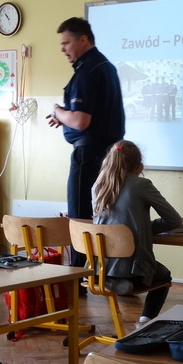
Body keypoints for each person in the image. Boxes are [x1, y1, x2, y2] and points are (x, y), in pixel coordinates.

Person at [46, 16, 126, 239]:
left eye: (66, 42)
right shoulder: (106, 67)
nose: (63, 49)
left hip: (89, 154)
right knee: (103, 216)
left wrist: (57, 112)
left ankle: (81, 262)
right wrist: (65, 117)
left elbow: (81, 121)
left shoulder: (86, 71)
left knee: (80, 216)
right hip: (110, 153)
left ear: (83, 40)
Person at [92, 140, 181, 326]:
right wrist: (145, 229)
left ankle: (114, 280)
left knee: (118, 266)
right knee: (164, 275)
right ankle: (145, 320)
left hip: (99, 266)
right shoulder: (141, 185)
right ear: (140, 167)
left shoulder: (97, 186)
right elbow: (174, 220)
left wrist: (139, 228)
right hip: (133, 267)